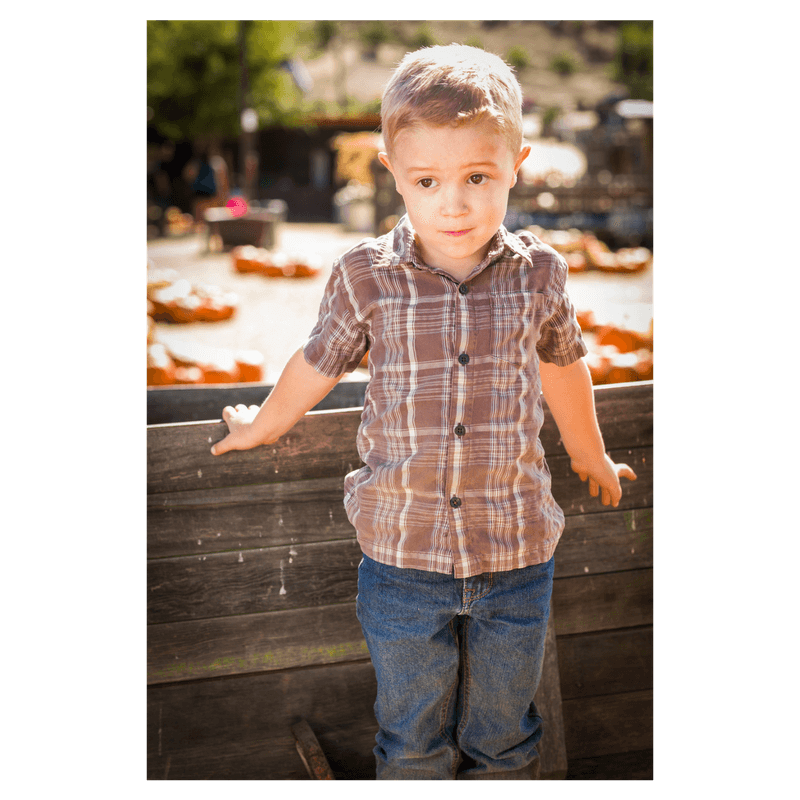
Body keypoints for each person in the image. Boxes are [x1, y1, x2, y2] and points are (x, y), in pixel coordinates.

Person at [211, 44, 637, 781]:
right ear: (392, 173)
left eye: (478, 177)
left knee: (505, 737)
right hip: (402, 558)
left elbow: (564, 363)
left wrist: (588, 454)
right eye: (427, 180)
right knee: (411, 738)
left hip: (517, 552)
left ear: (517, 164)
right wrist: (265, 424)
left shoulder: (541, 273)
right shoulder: (366, 277)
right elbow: (318, 362)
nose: (454, 202)